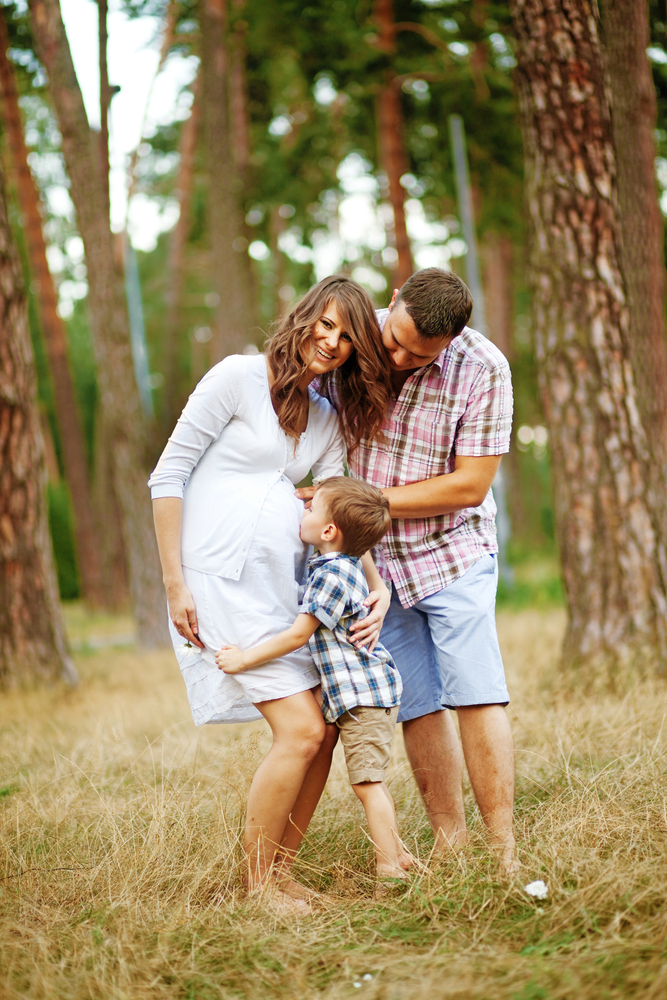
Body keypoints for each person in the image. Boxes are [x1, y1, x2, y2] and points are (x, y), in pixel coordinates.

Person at [149, 276, 393, 912]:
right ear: (305, 316)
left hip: (283, 589)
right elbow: (168, 474)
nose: (332, 342)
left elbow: (340, 503)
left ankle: (280, 874)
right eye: (327, 324)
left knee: (325, 731)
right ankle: (258, 887)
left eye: (348, 337)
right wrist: (175, 582)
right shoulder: (236, 377)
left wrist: (377, 586)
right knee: (301, 730)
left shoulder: (326, 418)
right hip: (217, 578)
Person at [301, 267, 517, 874]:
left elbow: (470, 485)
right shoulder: (351, 338)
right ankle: (451, 842)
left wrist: (363, 501)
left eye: (418, 356)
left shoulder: (484, 369)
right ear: (393, 300)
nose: (396, 358)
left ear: (450, 343)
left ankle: (502, 852)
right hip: (375, 563)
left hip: (453, 551)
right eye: (394, 341)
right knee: (417, 701)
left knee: (476, 692)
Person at [216, 477, 406, 885]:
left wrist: (245, 659)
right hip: (363, 694)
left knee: (368, 784)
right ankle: (399, 855)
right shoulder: (338, 567)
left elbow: (297, 636)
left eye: (311, 508)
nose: (303, 512)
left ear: (329, 530)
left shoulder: (331, 575)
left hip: (364, 698)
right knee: (370, 780)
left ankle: (390, 867)